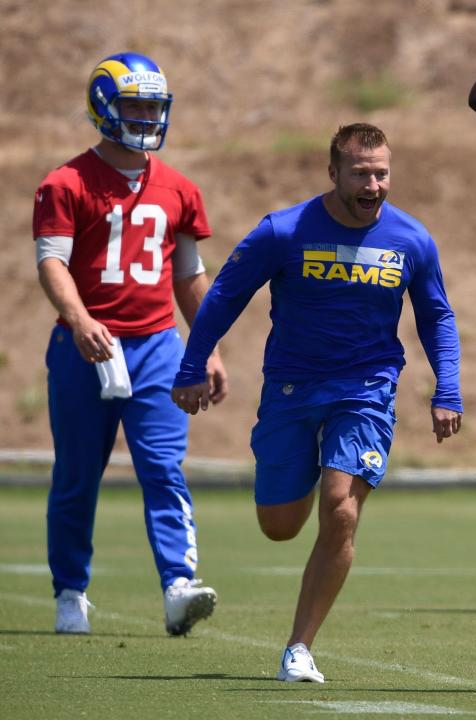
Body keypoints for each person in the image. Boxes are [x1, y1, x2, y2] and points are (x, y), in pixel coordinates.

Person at [171, 123, 464, 683]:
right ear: (333, 173)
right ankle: (304, 473)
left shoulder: (412, 239)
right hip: (292, 387)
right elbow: (225, 297)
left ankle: (299, 648)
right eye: (360, 173)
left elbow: (437, 317)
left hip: (367, 389)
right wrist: (193, 365)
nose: (373, 185)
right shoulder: (283, 231)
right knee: (279, 526)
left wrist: (446, 388)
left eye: (381, 173)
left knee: (341, 509)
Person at [33, 52, 226, 636]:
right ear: (104, 106)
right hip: (83, 349)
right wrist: (78, 317)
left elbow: (189, 276)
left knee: (164, 468)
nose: (146, 116)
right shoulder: (64, 183)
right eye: (136, 105)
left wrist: (207, 347)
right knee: (77, 474)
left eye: (153, 106)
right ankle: (70, 591)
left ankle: (178, 586)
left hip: (158, 347)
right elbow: (52, 262)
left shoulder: (179, 188)